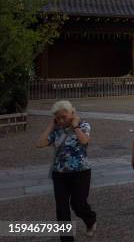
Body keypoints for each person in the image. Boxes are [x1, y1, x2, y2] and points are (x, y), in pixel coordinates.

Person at [36, 100, 97, 240]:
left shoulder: (83, 125)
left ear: (72, 113)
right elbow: (39, 144)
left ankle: (90, 219)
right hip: (59, 174)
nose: (61, 120)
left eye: (64, 116)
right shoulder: (57, 130)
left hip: (81, 172)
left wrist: (75, 126)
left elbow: (84, 141)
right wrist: (51, 125)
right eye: (58, 117)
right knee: (62, 209)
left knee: (78, 204)